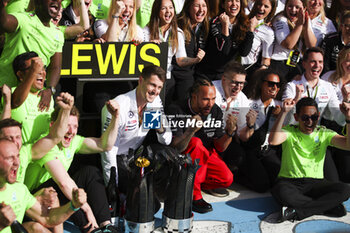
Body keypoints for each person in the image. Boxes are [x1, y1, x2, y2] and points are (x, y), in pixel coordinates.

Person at [24, 100, 120, 233]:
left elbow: (105, 145)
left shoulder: (73, 141)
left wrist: (115, 118)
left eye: (75, 126)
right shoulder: (46, 144)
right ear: (54, 126)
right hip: (33, 203)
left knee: (90, 172)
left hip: (56, 195)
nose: (71, 131)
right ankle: (91, 229)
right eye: (67, 126)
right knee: (63, 188)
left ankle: (106, 225)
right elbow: (63, 183)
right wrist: (87, 209)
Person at [268, 97, 350, 222]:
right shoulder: (289, 131)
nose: (310, 122)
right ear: (296, 117)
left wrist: (348, 119)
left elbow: (348, 145)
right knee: (281, 192)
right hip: (290, 182)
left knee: (345, 190)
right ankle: (327, 206)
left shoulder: (323, 133)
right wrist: (283, 112)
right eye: (305, 118)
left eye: (314, 117)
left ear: (318, 116)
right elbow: (273, 141)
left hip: (315, 184)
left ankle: (298, 212)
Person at [166, 78, 235, 213]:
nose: (210, 104)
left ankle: (190, 184)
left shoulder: (215, 110)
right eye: (205, 99)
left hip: (205, 154)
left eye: (213, 99)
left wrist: (230, 133)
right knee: (196, 143)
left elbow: (220, 147)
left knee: (226, 179)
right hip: (182, 157)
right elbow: (175, 147)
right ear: (194, 96)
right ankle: (194, 196)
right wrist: (191, 131)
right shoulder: (176, 109)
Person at [100, 65, 172, 189]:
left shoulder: (154, 102)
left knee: (169, 159)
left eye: (159, 87)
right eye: (152, 85)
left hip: (136, 156)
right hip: (117, 158)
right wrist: (112, 187)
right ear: (140, 81)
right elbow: (108, 152)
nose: (155, 91)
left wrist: (160, 128)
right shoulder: (120, 105)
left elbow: (166, 139)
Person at [0, 139, 87, 233]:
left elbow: (47, 218)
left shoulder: (19, 189)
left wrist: (73, 205)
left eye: (18, 156)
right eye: (10, 158)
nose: (17, 163)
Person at [0, 0, 64, 111]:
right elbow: (4, 23)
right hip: (6, 93)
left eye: (59, 0)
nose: (57, 2)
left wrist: (50, 90)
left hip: (34, 99)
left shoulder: (58, 34)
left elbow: (55, 67)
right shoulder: (23, 19)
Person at [143, 0, 204, 105]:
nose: (168, 11)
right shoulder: (146, 31)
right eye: (163, 8)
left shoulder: (178, 32)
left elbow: (180, 60)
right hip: (148, 79)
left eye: (171, 8)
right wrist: (147, 45)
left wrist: (196, 60)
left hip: (166, 79)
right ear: (157, 11)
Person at [233, 69, 283, 192]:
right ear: (262, 84)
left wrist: (280, 115)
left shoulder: (281, 106)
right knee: (262, 185)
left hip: (267, 151)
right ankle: (236, 174)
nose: (274, 88)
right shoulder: (249, 103)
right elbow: (242, 136)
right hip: (250, 150)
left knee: (279, 180)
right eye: (270, 84)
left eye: (277, 85)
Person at [196, 0, 255, 80]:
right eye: (230, 1)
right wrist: (225, 26)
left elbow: (244, 52)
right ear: (223, 5)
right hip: (207, 73)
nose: (234, 4)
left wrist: (250, 30)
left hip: (227, 74)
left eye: (237, 1)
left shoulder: (243, 23)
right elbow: (224, 51)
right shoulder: (215, 22)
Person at [9, 52, 54, 144]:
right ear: (20, 75)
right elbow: (16, 102)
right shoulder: (10, 93)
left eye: (43, 68)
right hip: (19, 155)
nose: (41, 72)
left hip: (44, 154)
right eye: (34, 68)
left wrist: (50, 91)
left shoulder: (48, 96)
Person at [320, 47, 350, 182]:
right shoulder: (328, 77)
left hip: (346, 130)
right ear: (340, 61)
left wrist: (346, 100)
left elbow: (343, 120)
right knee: (330, 178)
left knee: (346, 175)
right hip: (326, 128)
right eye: (347, 60)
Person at [270, 0, 316, 82]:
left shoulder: (304, 19)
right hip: (280, 63)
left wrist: (306, 25)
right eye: (290, 6)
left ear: (304, 8)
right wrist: (299, 25)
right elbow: (288, 44)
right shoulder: (280, 19)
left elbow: (311, 45)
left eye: (297, 7)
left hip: (296, 63)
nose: (293, 10)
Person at [171, 0, 208, 102]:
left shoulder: (202, 26)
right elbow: (180, 60)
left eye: (204, 6)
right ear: (188, 7)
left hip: (191, 77)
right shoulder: (179, 26)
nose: (201, 9)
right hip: (177, 79)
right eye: (197, 5)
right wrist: (196, 59)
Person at [241, 0, 276, 77]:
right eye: (259, 4)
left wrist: (256, 76)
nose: (261, 8)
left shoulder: (268, 31)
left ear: (271, 10)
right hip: (230, 64)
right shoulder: (243, 18)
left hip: (247, 69)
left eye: (266, 6)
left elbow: (266, 61)